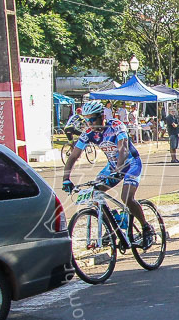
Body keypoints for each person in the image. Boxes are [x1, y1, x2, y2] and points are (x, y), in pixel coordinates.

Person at [63, 100, 154, 247]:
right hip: (112, 166)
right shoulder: (88, 133)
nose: (90, 123)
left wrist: (119, 169)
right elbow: (74, 156)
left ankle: (146, 227)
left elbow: (123, 149)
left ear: (102, 116)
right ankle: (113, 226)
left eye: (93, 119)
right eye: (86, 120)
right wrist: (65, 179)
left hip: (130, 164)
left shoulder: (116, 126)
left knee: (127, 197)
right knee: (95, 193)